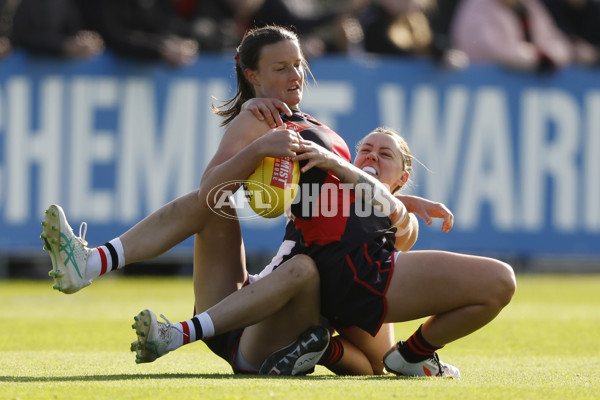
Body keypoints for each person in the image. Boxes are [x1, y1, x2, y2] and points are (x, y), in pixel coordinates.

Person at [42, 25, 514, 378]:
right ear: (252, 75)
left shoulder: (307, 122)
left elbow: (353, 198)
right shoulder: (260, 118)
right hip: (271, 295)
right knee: (218, 207)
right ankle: (95, 262)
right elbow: (210, 192)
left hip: (291, 293)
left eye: (297, 64)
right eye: (280, 67)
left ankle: (325, 349)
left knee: (367, 361)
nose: (295, 74)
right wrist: (257, 149)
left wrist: (412, 203)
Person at [451, 0, 572, 73]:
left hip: (528, 89)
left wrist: (547, 56)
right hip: (487, 86)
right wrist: (533, 57)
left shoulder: (530, 6)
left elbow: (558, 42)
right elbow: (486, 47)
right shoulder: (478, 6)